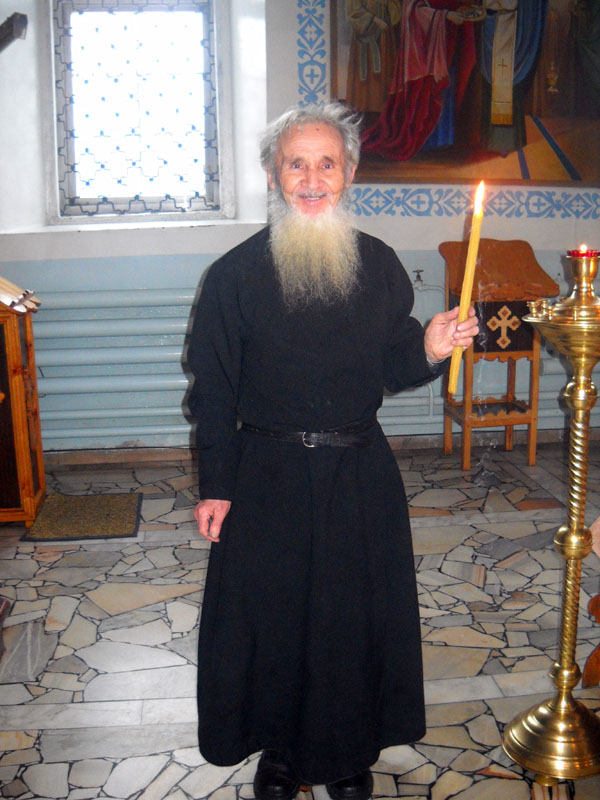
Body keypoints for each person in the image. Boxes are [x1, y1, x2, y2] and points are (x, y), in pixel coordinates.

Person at [187, 102, 479, 800]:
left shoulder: (377, 264)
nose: (312, 179)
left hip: (357, 473)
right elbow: (214, 390)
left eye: (327, 164)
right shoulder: (233, 276)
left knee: (351, 622)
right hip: (268, 477)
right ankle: (282, 754)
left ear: (349, 173)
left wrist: (430, 347)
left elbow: (393, 364)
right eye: (297, 164)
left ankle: (348, 753)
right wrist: (217, 485)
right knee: (276, 623)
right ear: (273, 174)